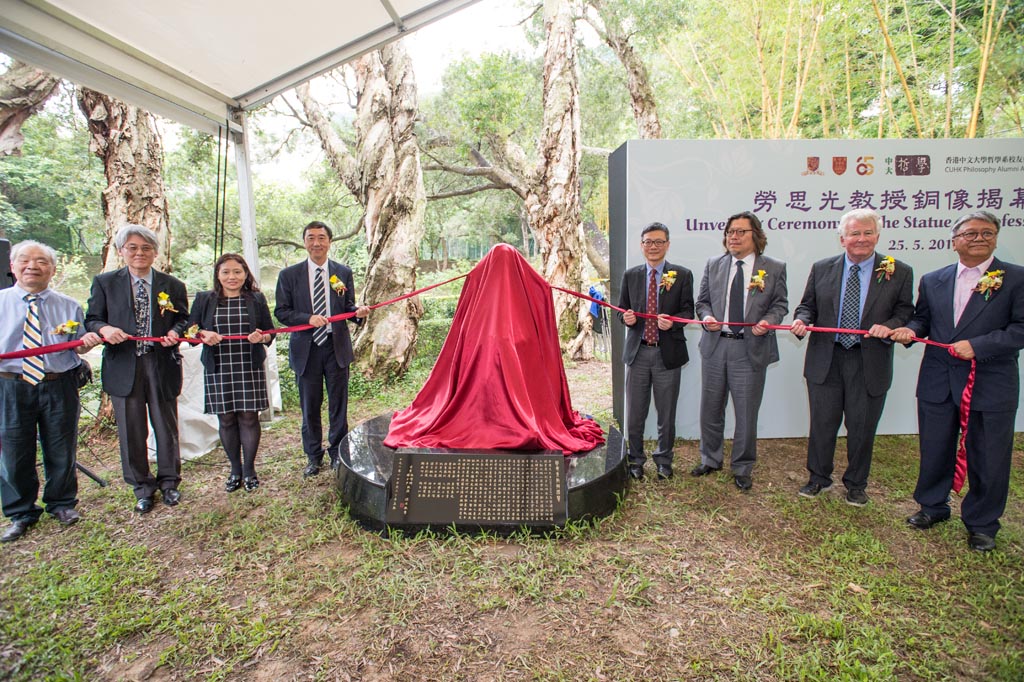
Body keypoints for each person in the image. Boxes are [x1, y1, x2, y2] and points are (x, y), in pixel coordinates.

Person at [891, 211, 1024, 552]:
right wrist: (910, 332)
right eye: (970, 233)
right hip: (938, 378)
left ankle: (982, 523)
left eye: (987, 233)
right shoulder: (935, 279)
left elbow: (1020, 329)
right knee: (935, 447)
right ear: (955, 240)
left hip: (990, 381)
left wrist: (978, 347)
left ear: (996, 237)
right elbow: (923, 320)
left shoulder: (1015, 278)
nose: (978, 238)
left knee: (989, 454)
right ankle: (932, 507)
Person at [790, 208, 913, 506]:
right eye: (855, 233)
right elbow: (807, 306)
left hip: (868, 360)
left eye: (868, 233)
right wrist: (802, 320)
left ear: (878, 236)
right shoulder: (822, 268)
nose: (861, 239)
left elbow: (905, 312)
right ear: (842, 239)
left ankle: (857, 484)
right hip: (826, 358)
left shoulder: (899, 270)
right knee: (822, 423)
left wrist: (891, 326)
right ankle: (818, 477)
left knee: (862, 426)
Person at [0, 241, 102, 542]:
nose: (33, 266)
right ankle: (21, 512)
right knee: (14, 449)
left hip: (58, 381)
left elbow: (80, 338)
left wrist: (87, 341)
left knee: (61, 445)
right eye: (25, 260)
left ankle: (61, 503)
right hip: (11, 384)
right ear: (12, 266)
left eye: (42, 261)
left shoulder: (68, 304)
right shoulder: (1, 301)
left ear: (52, 269)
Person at [85, 225, 189, 513]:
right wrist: (105, 328)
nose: (139, 253)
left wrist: (175, 332)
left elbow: (182, 318)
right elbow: (92, 319)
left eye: (146, 248)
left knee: (165, 427)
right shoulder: (105, 283)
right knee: (132, 431)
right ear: (121, 252)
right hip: (124, 365)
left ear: (155, 252)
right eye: (132, 247)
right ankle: (142, 487)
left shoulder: (172, 285)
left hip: (161, 364)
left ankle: (169, 483)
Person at [691, 212, 788, 490]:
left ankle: (743, 466)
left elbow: (780, 305)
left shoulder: (774, 267)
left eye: (740, 232)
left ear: (756, 236)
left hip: (750, 349)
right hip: (715, 346)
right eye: (730, 232)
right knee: (710, 408)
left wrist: (769, 322)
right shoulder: (714, 264)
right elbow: (703, 302)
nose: (733, 237)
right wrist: (706, 317)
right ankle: (710, 458)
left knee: (746, 412)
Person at [275, 221, 369, 478]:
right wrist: (307, 318)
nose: (316, 243)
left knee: (338, 404)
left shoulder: (342, 272)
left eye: (321, 238)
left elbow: (347, 306)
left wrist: (358, 313)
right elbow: (281, 312)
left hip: (335, 348)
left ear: (330, 241)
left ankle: (337, 452)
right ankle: (313, 456)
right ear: (304, 242)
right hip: (306, 350)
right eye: (311, 238)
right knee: (310, 405)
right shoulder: (289, 275)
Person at [188, 254, 274, 493]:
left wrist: (262, 336)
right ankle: (234, 469)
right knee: (225, 418)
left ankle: (249, 470)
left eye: (237, 272)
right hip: (219, 366)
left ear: (245, 274)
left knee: (248, 417)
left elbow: (270, 332)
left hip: (248, 364)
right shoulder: (205, 299)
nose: (232, 277)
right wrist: (203, 334)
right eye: (226, 272)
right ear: (218, 275)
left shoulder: (255, 298)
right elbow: (191, 331)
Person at [618, 222, 694, 480]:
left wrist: (673, 321)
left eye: (659, 242)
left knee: (666, 412)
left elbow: (688, 312)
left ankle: (664, 460)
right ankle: (636, 460)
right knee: (635, 413)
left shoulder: (682, 274)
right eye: (648, 242)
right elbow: (622, 310)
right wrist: (626, 319)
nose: (653, 246)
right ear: (641, 246)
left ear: (667, 245)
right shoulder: (631, 275)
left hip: (667, 354)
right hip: (638, 353)